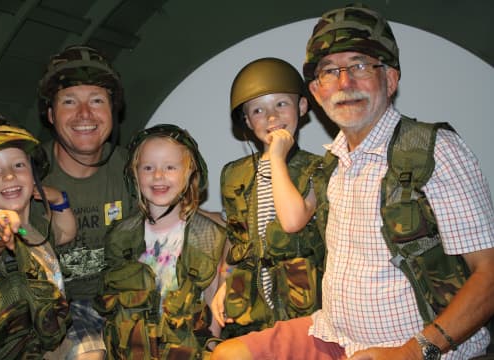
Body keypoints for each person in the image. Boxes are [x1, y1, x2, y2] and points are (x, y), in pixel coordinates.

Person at [211, 4, 494, 360]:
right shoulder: (332, 165)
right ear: (316, 91)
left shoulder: (433, 152)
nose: (345, 83)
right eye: (330, 71)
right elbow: (288, 221)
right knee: (229, 355)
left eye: (360, 65)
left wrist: (411, 351)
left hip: (414, 348)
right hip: (333, 336)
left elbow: (489, 274)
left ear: (390, 79)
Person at [34, 44, 136, 359]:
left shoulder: (136, 168)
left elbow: (183, 217)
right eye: (69, 101)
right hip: (57, 316)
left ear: (112, 111)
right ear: (51, 115)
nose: (84, 115)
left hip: (122, 303)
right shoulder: (23, 177)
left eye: (96, 101)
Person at [210, 57, 325, 339]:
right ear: (247, 121)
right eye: (258, 110)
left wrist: (276, 158)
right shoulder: (234, 175)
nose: (271, 117)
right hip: (251, 309)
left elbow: (293, 220)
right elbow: (238, 243)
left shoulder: (320, 168)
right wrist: (226, 284)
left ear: (302, 106)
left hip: (304, 309)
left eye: (281, 104)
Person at [94, 124, 226, 358]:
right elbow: (112, 308)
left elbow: (213, 308)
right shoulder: (120, 237)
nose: (158, 176)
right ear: (134, 174)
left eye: (170, 167)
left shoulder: (208, 236)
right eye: (148, 167)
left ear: (189, 173)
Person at [0, 112, 75, 356]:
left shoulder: (33, 228)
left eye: (18, 165)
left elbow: (65, 233)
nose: (9, 175)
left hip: (50, 340)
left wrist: (60, 200)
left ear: (33, 176)